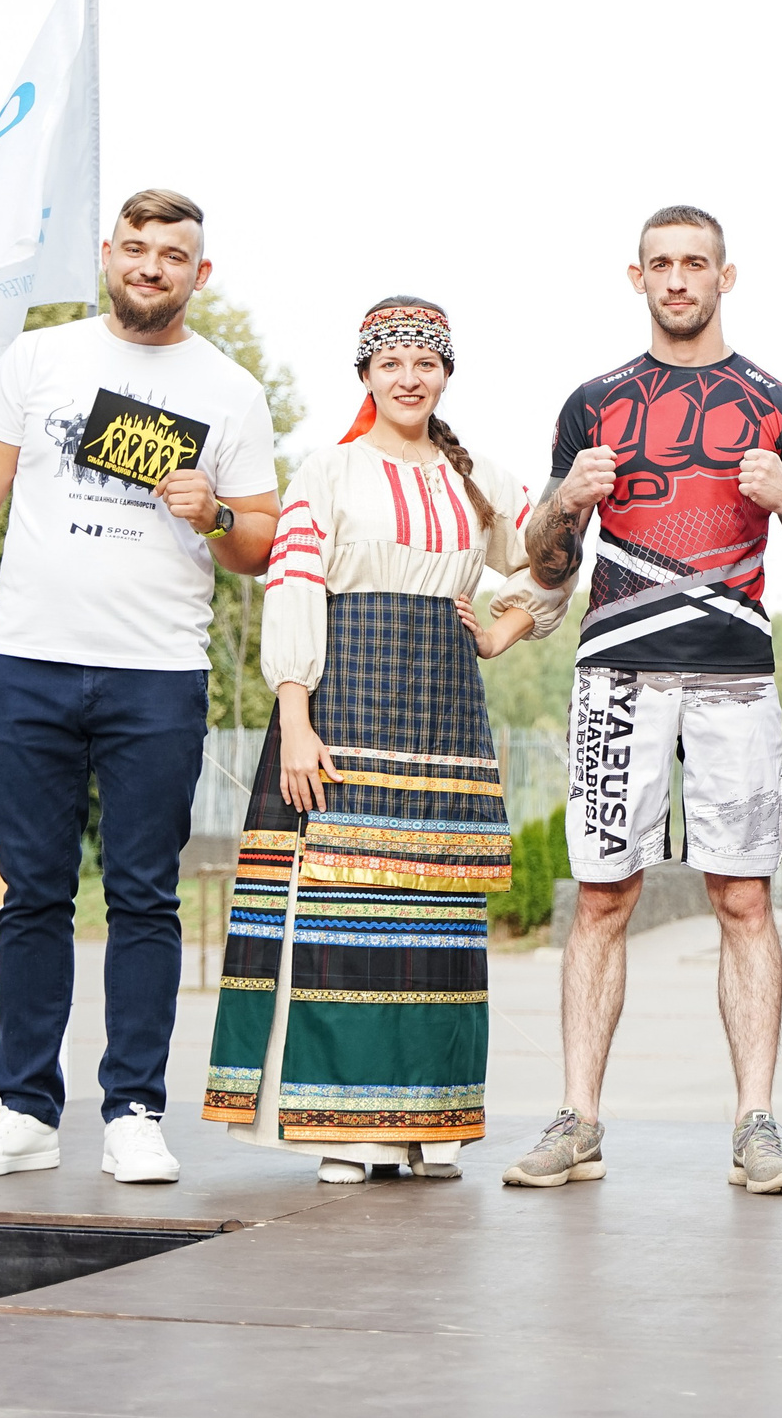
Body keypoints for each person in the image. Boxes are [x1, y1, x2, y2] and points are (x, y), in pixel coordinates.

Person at [0, 189, 280, 1184]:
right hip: (27, 663)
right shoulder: (39, 358)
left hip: (156, 673)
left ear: (201, 273)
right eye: (136, 247)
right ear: (108, 254)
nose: (151, 266)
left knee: (143, 895)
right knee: (32, 891)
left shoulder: (230, 390)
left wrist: (212, 513)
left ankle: (134, 1113)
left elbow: (259, 542)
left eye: (174, 254)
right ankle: (24, 1111)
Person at [504, 205, 782, 1195]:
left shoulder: (780, 407)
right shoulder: (592, 403)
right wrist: (566, 501)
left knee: (744, 896)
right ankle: (578, 1120)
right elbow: (545, 561)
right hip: (616, 671)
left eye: (697, 262)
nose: (680, 278)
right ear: (638, 277)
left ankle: (755, 1124)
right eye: (662, 263)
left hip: (735, 672)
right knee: (602, 896)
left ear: (725, 277)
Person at [202, 297, 555, 1183]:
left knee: (436, 917)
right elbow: (293, 587)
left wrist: (505, 629)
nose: (409, 377)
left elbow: (552, 560)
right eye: (391, 362)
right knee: (340, 913)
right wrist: (294, 718)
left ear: (446, 374)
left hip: (445, 715)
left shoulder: (480, 481)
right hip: (344, 706)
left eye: (425, 362)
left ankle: (430, 1127)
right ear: (365, 373)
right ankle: (347, 1131)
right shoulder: (328, 471)